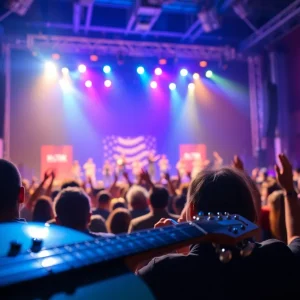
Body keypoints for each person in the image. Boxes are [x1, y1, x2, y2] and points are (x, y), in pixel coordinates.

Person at [137, 155, 300, 299]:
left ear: (193, 211)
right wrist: (289, 191)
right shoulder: (276, 257)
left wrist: (156, 251)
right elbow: (296, 239)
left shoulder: (162, 272)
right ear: (251, 214)